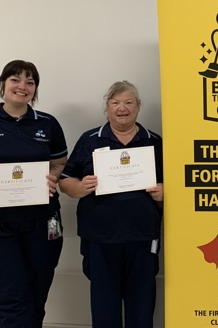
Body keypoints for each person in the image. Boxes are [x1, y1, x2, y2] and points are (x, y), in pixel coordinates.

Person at [0, 59, 68, 328]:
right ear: (3, 84)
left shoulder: (48, 124)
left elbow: (59, 162)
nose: (23, 86)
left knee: (35, 299)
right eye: (16, 79)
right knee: (13, 305)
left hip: (41, 225)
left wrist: (53, 176)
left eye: (30, 82)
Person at [59, 81, 163, 328]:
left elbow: (177, 182)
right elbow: (65, 179)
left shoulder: (155, 141)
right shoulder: (90, 139)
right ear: (107, 108)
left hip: (142, 236)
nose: (122, 108)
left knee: (142, 306)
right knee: (105, 308)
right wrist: (79, 187)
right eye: (115, 103)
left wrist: (164, 191)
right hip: (100, 238)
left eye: (128, 102)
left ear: (138, 107)